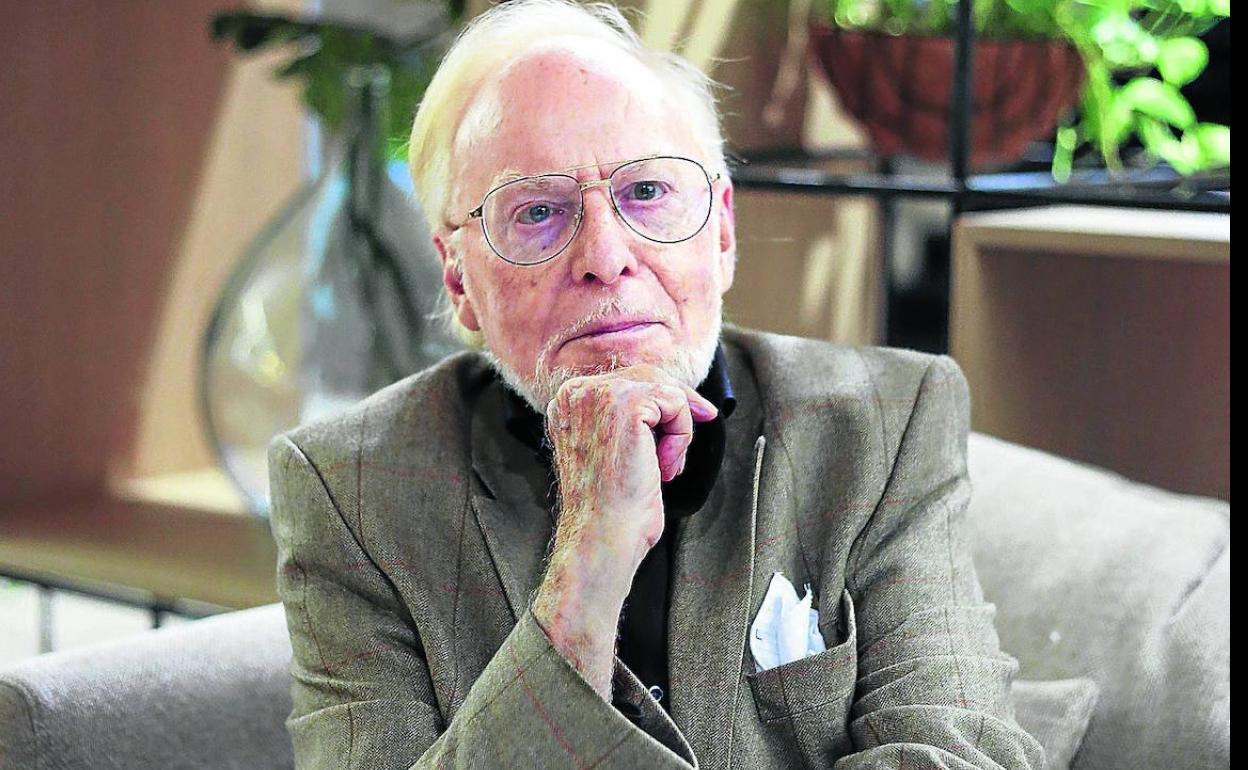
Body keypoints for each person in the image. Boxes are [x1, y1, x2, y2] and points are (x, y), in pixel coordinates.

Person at [266, 1, 1047, 767]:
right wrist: (585, 574)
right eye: (537, 212)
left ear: (723, 231)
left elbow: (957, 753)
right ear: (458, 278)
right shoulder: (351, 488)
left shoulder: (884, 424)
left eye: (646, 193)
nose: (606, 257)